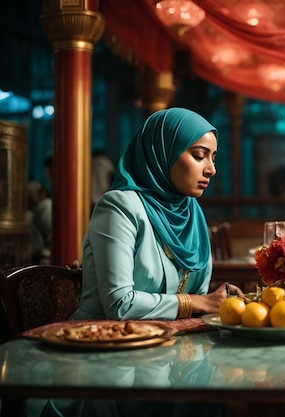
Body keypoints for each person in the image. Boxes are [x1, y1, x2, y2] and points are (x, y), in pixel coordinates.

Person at [37, 108, 241, 417]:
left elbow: (195, 294)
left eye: (214, 158)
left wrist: (217, 299)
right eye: (200, 155)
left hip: (169, 353)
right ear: (163, 152)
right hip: (105, 358)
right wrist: (201, 303)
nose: (211, 169)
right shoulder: (119, 206)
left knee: (219, 392)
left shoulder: (191, 214)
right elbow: (120, 304)